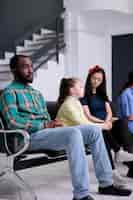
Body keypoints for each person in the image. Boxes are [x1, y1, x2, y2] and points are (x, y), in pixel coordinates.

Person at [0, 55, 131, 200]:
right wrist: (44, 125)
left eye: (31, 66)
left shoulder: (36, 94)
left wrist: (54, 124)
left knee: (94, 130)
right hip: (27, 137)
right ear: (14, 70)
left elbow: (47, 118)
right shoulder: (9, 93)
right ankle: (81, 194)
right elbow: (13, 121)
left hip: (46, 133)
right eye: (25, 66)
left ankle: (106, 184)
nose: (30, 70)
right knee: (73, 133)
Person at [56, 77, 128, 187]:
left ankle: (115, 161)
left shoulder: (75, 103)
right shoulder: (68, 105)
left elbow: (84, 122)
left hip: (77, 133)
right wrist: (103, 125)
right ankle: (117, 153)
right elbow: (82, 123)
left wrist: (103, 125)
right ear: (71, 90)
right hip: (68, 136)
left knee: (101, 130)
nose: (83, 88)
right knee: (100, 130)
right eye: (80, 87)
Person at [80, 66, 133, 171]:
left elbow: (109, 111)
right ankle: (116, 157)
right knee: (102, 130)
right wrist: (104, 122)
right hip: (96, 123)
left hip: (107, 122)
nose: (96, 81)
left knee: (121, 123)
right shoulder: (84, 96)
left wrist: (108, 120)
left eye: (99, 79)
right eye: (94, 78)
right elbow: (88, 115)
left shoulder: (102, 95)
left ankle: (127, 159)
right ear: (89, 78)